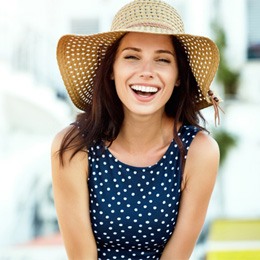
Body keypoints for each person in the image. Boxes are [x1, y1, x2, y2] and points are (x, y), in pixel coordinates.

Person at [51, 0, 221, 259]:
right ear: (111, 70)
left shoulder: (199, 152)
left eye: (162, 60)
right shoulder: (74, 146)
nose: (147, 72)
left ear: (177, 76)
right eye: (132, 57)